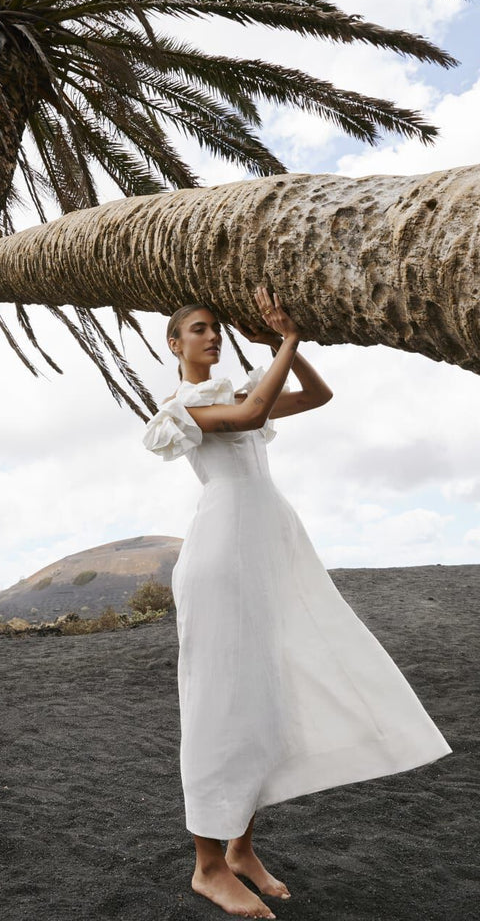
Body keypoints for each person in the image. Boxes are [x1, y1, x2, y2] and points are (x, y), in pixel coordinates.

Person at [141, 286, 452, 919]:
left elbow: (317, 396)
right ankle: (206, 866)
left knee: (264, 697)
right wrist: (287, 340)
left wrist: (282, 347)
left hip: (268, 546)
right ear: (174, 344)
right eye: (199, 329)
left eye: (215, 329)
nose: (211, 337)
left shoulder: (231, 391)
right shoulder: (177, 406)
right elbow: (255, 413)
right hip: (221, 556)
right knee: (220, 703)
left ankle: (240, 849)